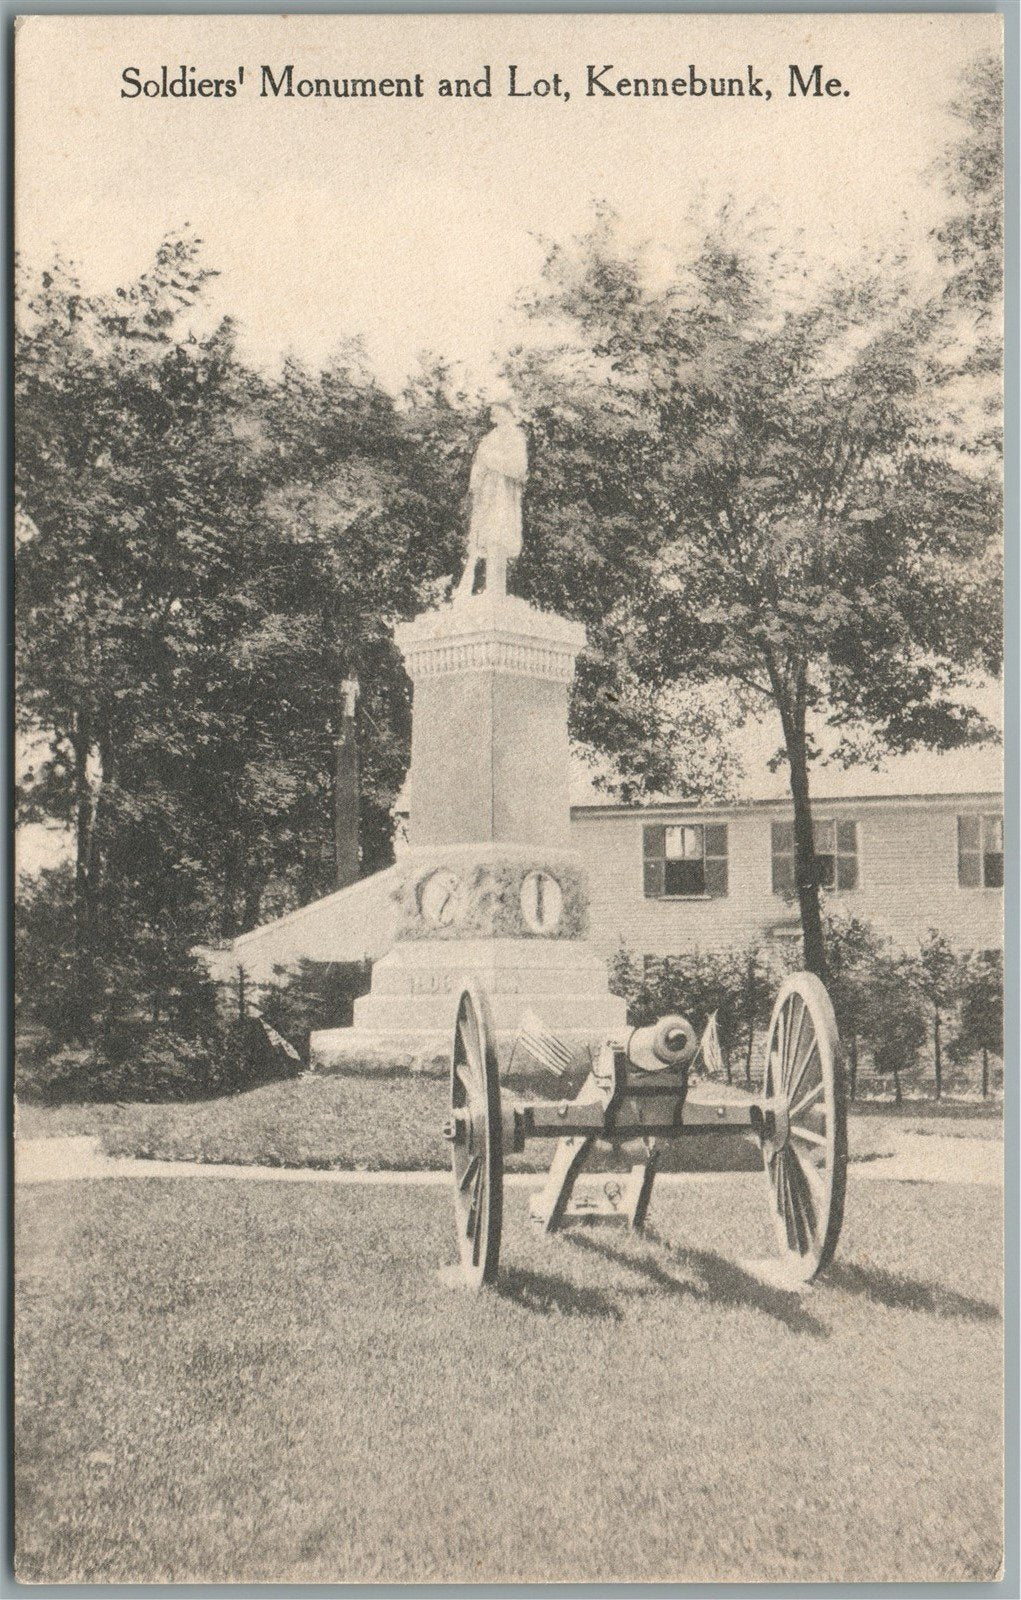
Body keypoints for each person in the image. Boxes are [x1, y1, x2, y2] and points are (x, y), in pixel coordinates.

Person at [454, 402, 528, 600]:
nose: (493, 413)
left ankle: (496, 590)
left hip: (502, 493)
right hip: (486, 494)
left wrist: (491, 460)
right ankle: (480, 589)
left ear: (508, 412)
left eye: (498, 409)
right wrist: (476, 483)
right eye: (492, 411)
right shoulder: (488, 438)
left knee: (498, 537)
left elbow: (519, 467)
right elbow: (477, 469)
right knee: (483, 538)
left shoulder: (515, 435)